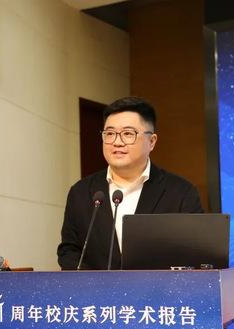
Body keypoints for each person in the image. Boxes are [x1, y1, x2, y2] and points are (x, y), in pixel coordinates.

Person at [57, 96, 204, 270]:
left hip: (158, 288)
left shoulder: (181, 193)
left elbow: (196, 255)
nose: (117, 142)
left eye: (128, 134)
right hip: (95, 288)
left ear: (151, 142)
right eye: (110, 134)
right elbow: (69, 251)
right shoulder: (81, 192)